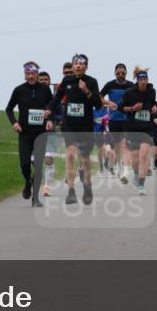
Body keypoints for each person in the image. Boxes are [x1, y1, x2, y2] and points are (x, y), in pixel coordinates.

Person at [47, 54, 102, 205]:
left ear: (86, 67)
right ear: (72, 66)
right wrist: (49, 110)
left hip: (85, 126)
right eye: (75, 63)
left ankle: (87, 186)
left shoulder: (91, 82)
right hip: (69, 124)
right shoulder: (67, 81)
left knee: (84, 158)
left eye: (81, 64)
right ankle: (71, 191)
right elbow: (57, 98)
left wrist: (86, 91)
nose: (78, 66)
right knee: (70, 155)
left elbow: (98, 104)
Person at [6, 62, 53, 207]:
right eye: (28, 74)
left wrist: (50, 119)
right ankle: (28, 181)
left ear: (37, 74)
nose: (31, 76)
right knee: (25, 163)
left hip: (41, 133)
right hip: (25, 132)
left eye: (33, 73)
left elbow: (52, 106)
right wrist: (14, 122)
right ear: (25, 74)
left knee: (38, 165)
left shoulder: (45, 89)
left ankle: (35, 199)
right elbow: (9, 109)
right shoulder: (19, 90)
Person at [120, 67, 157, 194]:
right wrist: (132, 108)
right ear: (137, 80)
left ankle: (141, 185)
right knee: (135, 160)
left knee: (144, 156)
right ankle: (136, 174)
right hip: (132, 128)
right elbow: (121, 108)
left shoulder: (152, 91)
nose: (143, 82)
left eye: (145, 79)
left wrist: (154, 107)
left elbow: (154, 103)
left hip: (146, 129)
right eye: (141, 79)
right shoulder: (129, 92)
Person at [100, 63, 134, 184]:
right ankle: (119, 166)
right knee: (117, 146)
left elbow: (138, 96)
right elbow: (99, 97)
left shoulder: (131, 85)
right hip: (113, 119)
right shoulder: (110, 85)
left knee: (125, 144)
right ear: (115, 73)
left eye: (123, 72)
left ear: (126, 73)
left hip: (127, 119)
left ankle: (126, 171)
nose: (120, 74)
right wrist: (109, 103)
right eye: (118, 72)